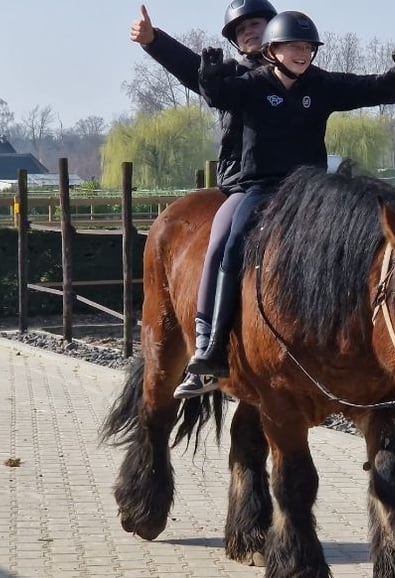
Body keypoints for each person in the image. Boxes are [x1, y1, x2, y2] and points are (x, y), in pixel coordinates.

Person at [186, 10, 395, 380]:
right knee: (230, 245)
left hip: (310, 192)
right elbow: (217, 95)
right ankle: (211, 344)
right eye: (293, 47)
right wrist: (209, 73)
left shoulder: (320, 84)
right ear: (271, 51)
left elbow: (371, 88)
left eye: (308, 48)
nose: (302, 54)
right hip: (261, 187)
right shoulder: (250, 84)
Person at [130, 1, 279, 399]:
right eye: (241, 29)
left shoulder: (299, 75)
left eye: (257, 23)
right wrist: (154, 41)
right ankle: (207, 345)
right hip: (244, 183)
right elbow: (188, 67)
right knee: (221, 246)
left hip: (300, 186)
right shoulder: (227, 77)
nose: (249, 31)